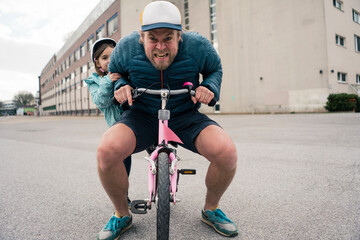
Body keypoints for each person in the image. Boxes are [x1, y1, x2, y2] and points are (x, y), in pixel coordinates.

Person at [96, 1, 238, 239]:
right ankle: (122, 214)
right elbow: (115, 71)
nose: (160, 47)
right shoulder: (126, 47)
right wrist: (120, 85)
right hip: (141, 115)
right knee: (107, 150)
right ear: (142, 37)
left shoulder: (199, 45)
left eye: (168, 38)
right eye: (153, 38)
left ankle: (211, 209)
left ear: (179, 36)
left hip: (184, 114)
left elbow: (215, 69)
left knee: (226, 152)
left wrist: (208, 86)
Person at [83, 38, 132, 205]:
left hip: (137, 119)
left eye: (113, 56)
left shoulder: (125, 73)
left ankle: (164, 177)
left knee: (156, 147)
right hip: (117, 124)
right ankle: (122, 194)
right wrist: (109, 80)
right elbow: (101, 101)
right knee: (123, 158)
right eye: (105, 57)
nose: (110, 60)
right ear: (97, 62)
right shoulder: (95, 81)